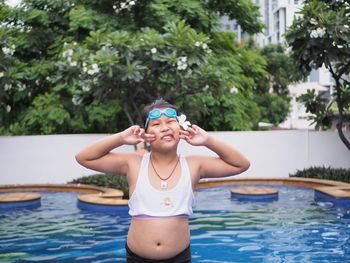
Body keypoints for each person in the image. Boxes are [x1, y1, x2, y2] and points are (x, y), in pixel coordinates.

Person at [75, 98, 250, 262]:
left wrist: (208, 140)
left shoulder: (194, 165)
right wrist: (121, 138)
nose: (165, 128)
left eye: (171, 122)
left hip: (179, 257)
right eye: (157, 124)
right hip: (138, 257)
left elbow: (241, 164)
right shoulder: (134, 163)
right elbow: (84, 157)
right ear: (146, 133)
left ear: (180, 128)